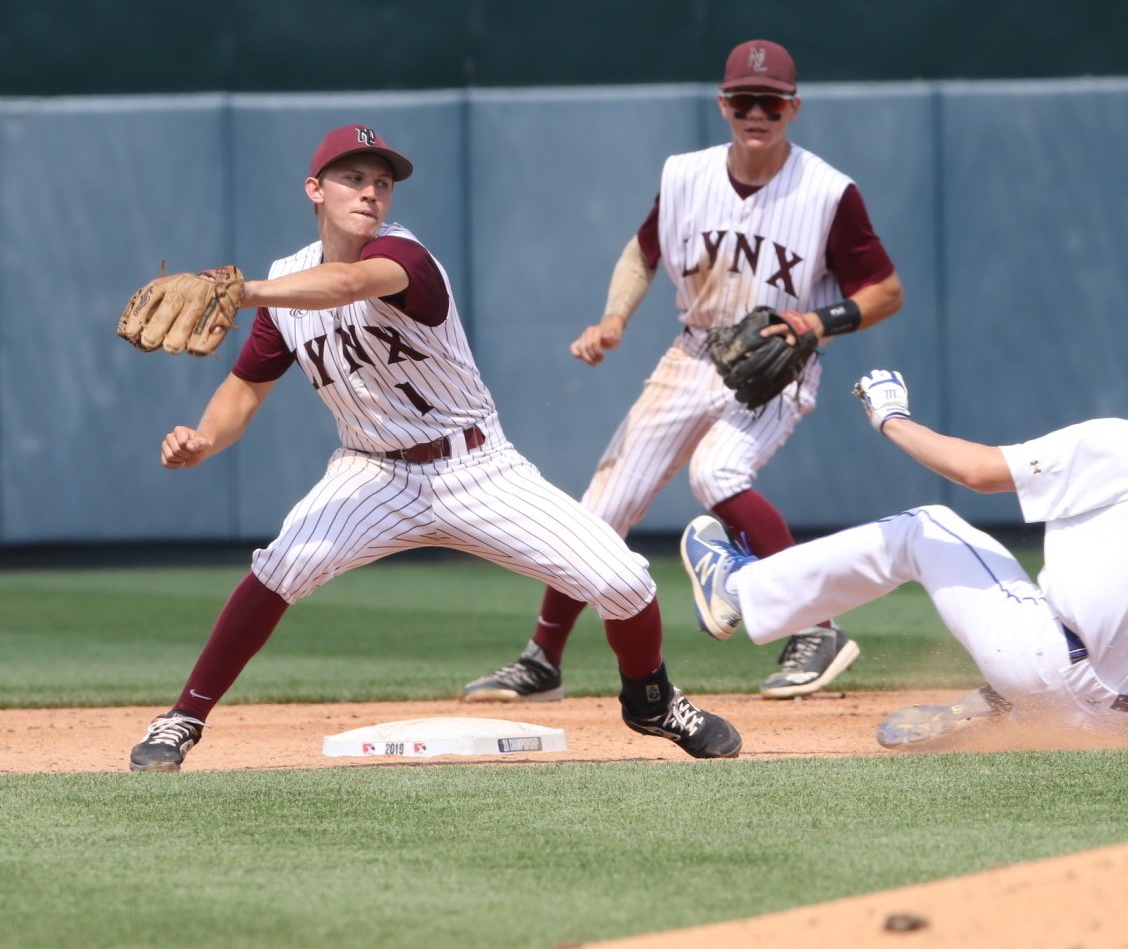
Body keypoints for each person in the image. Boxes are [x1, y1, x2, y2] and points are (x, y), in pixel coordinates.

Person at [128, 123, 741, 771]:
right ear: (315, 189)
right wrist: (203, 439)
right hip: (370, 474)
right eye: (353, 178)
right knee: (278, 569)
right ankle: (182, 718)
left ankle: (651, 700)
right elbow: (244, 392)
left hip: (475, 467)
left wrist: (243, 292)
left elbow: (345, 285)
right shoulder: (285, 286)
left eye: (381, 182)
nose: (370, 192)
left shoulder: (404, 257)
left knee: (625, 581)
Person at [461, 39, 906, 705]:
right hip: (693, 353)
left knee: (717, 472)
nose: (758, 113)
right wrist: (614, 321)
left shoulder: (828, 192)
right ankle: (542, 661)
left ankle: (816, 628)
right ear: (724, 104)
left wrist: (821, 322)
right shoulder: (686, 177)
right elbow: (642, 256)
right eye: (744, 100)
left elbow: (886, 291)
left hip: (777, 364)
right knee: (598, 510)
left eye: (772, 102)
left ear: (794, 107)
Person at [680, 305, 1128, 746]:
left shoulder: (1121, 443)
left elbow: (977, 471)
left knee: (925, 527)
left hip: (1041, 661)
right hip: (1113, 719)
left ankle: (740, 592)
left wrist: (891, 417)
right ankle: (999, 712)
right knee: (1052, 606)